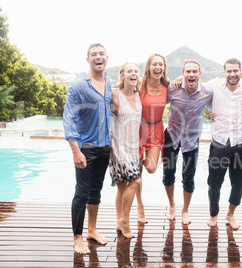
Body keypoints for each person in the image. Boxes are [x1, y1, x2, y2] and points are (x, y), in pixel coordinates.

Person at [63, 43, 111, 254]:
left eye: (101, 54)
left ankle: (92, 230)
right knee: (82, 192)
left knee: (96, 191)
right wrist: (76, 150)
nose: (98, 57)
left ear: (106, 58)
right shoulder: (79, 86)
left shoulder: (109, 82)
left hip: (104, 147)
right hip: (87, 148)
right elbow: (69, 119)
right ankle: (77, 237)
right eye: (94, 54)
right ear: (88, 59)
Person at [205, 58, 242, 230]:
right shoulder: (214, 85)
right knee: (214, 183)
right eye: (229, 71)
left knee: (239, 183)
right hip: (219, 143)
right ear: (224, 72)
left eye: (235, 71)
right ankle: (214, 214)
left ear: (240, 71)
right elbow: (196, 90)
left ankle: (230, 214)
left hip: (240, 144)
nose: (232, 74)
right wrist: (209, 111)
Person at [163, 60, 212, 224]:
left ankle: (185, 210)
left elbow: (222, 100)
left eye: (194, 71)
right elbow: (156, 95)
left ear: (200, 74)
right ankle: (172, 205)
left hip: (192, 139)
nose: (191, 74)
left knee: (188, 177)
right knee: (168, 174)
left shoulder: (207, 92)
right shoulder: (172, 89)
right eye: (188, 71)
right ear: (183, 73)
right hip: (171, 135)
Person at [109, 62, 142, 238]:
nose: (133, 73)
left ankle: (118, 221)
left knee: (122, 187)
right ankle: (125, 221)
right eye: (129, 71)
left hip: (133, 147)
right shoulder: (115, 94)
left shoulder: (138, 93)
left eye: (136, 71)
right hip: (118, 146)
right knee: (135, 181)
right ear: (122, 75)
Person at [136, 53, 170, 223]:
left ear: (164, 68)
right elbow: (123, 91)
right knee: (137, 174)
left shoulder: (168, 87)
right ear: (149, 67)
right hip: (137, 129)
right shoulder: (140, 84)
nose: (158, 67)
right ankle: (140, 206)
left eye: (161, 64)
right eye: (154, 64)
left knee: (150, 167)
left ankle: (139, 161)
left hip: (156, 129)